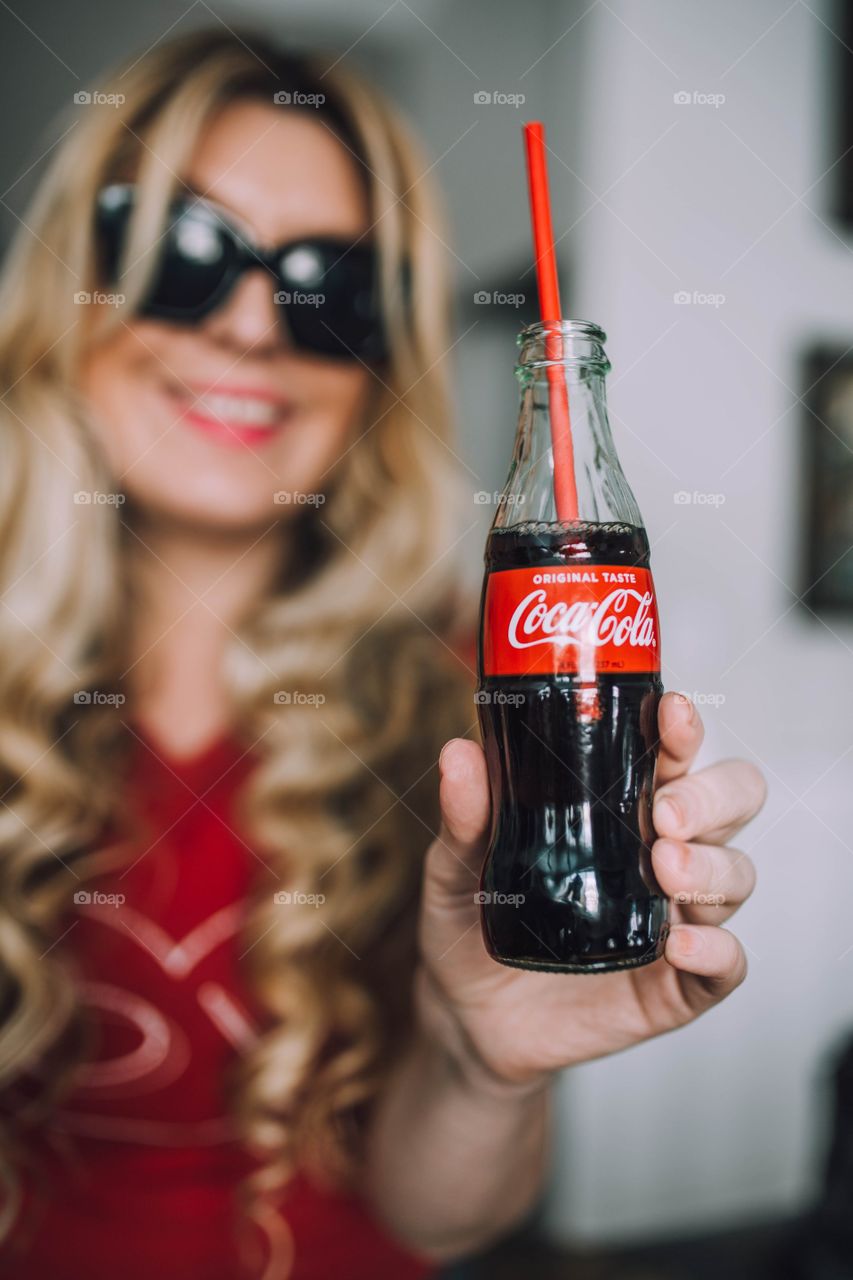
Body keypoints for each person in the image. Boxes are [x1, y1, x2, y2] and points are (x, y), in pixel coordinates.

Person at [0, 27, 767, 1280]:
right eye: (188, 257)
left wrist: (481, 1061)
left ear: (375, 368)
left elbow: (438, 1216)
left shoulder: (456, 705)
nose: (253, 325)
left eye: (326, 287)